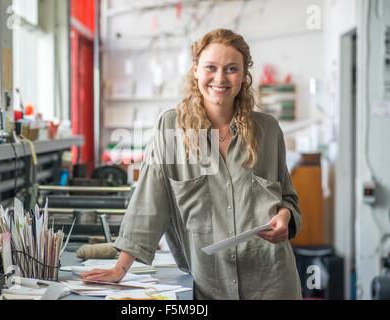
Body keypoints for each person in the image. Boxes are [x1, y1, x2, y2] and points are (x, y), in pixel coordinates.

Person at [82, 29, 302, 300]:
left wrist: (285, 216)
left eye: (232, 69)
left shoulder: (268, 130)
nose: (220, 78)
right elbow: (150, 202)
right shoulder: (171, 128)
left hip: (271, 283)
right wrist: (120, 268)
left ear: (244, 76)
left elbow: (288, 198)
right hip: (209, 286)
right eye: (211, 67)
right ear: (196, 70)